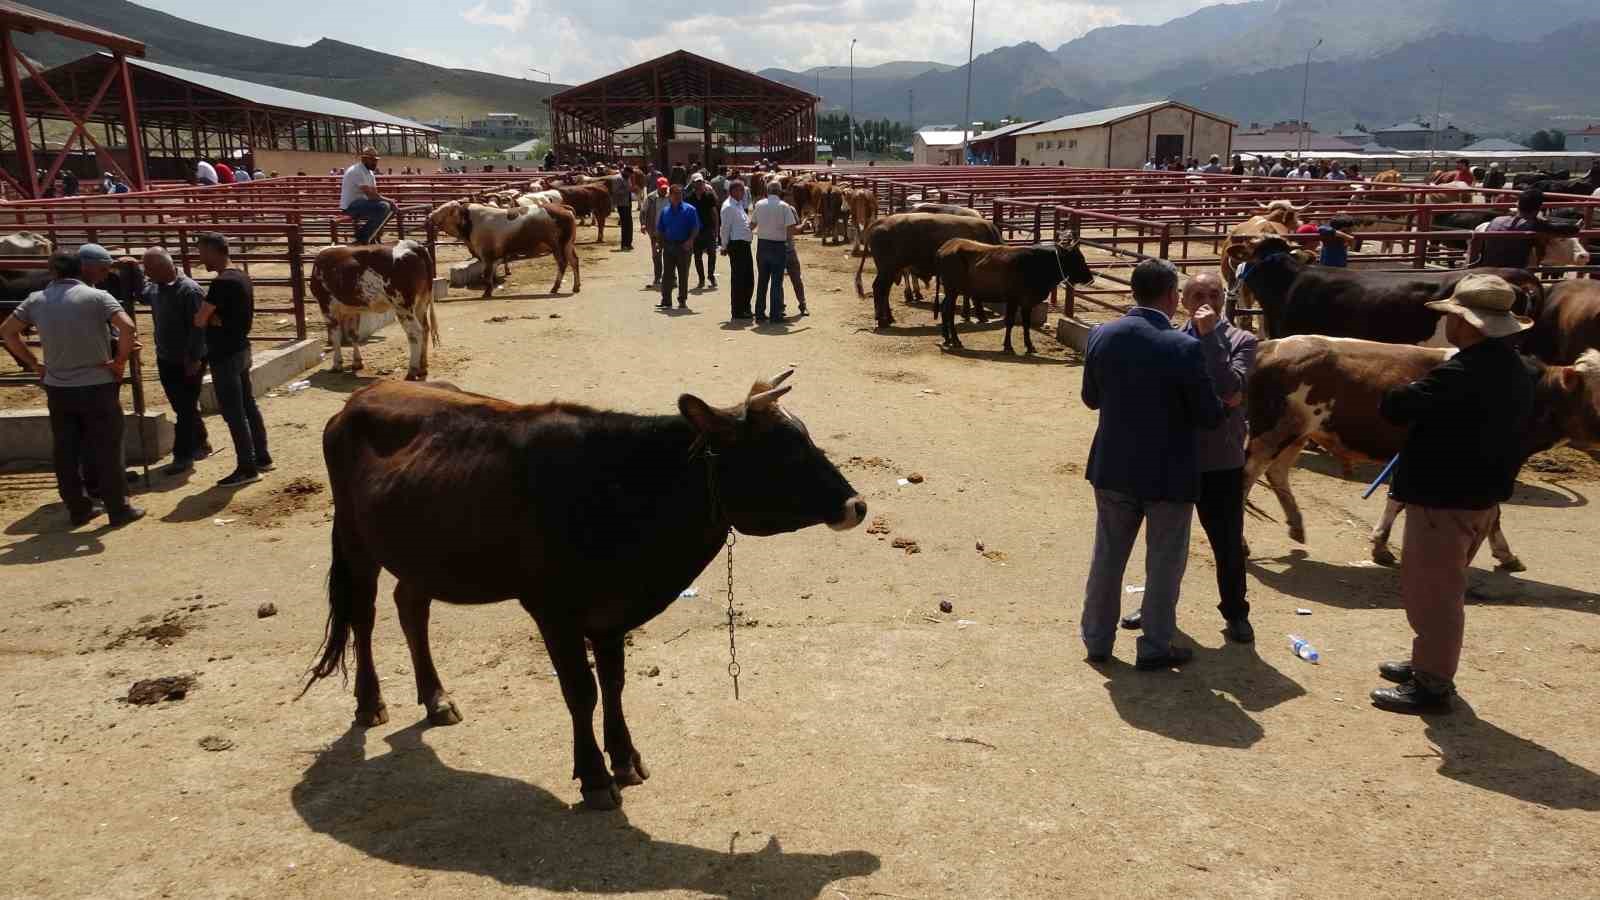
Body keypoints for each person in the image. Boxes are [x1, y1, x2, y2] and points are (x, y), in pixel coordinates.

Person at [1371, 274, 1536, 713]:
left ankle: (1433, 683)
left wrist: (1401, 387)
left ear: (1467, 324)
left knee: (1434, 592)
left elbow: (1396, 407)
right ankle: (1429, 662)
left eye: (1453, 317)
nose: (1448, 325)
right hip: (1479, 497)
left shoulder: (1461, 372)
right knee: (1441, 585)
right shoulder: (1516, 370)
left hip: (1442, 499)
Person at [1080, 258, 1226, 668]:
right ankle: (1156, 645)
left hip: (1113, 465)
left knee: (1107, 557)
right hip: (1169, 472)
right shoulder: (1184, 345)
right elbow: (1209, 415)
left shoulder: (1101, 333)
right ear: (1171, 296)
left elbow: (1091, 398)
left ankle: (1097, 640)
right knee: (1163, 563)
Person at [1118, 272, 1257, 643]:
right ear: (1182, 299)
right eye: (1197, 293)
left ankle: (1236, 612)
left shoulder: (1243, 340)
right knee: (1163, 543)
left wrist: (1210, 338)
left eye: (1214, 293)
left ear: (1225, 299)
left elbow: (1232, 387)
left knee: (1227, 543)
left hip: (1221, 461)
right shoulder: (1169, 341)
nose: (1205, 300)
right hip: (1175, 456)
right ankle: (1155, 607)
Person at [0, 248, 144, 527]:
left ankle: (78, 508)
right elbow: (127, 329)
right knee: (107, 447)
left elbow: (7, 332)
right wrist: (119, 362)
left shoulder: (36, 300)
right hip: (98, 385)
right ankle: (118, 508)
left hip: (58, 387)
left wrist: (34, 364)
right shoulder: (98, 297)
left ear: (52, 272)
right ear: (80, 270)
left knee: (66, 450)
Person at [194, 233, 271, 486]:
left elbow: (200, 319)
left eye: (202, 252)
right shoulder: (241, 276)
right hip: (241, 348)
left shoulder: (221, 284)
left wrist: (211, 319)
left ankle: (247, 467)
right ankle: (262, 457)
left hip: (224, 353)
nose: (200, 257)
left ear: (215, 252)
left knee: (233, 411)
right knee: (248, 405)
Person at [140, 248, 211, 475]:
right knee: (183, 405)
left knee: (184, 407)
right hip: (166, 356)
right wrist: (129, 270)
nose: (146, 273)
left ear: (163, 268)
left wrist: (194, 358)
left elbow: (199, 328)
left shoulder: (189, 291)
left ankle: (183, 456)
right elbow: (140, 294)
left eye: (148, 269)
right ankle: (200, 442)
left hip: (187, 358)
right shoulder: (156, 287)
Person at [1470, 189, 1580, 268]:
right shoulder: (1536, 225)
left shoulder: (1496, 220)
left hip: (1487, 269)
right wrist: (1576, 227)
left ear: (1517, 205)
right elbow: (1568, 230)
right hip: (1516, 273)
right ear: (1538, 209)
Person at [752, 176, 799, 322]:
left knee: (762, 281)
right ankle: (775, 314)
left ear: (767, 191)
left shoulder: (759, 204)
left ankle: (759, 313)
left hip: (763, 245)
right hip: (778, 246)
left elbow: (752, 225)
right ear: (779, 192)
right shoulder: (784, 207)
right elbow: (791, 230)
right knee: (776, 282)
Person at [655, 183, 699, 310]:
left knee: (683, 274)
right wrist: (659, 242)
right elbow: (661, 229)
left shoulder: (690, 210)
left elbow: (695, 228)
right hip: (669, 246)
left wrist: (690, 241)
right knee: (667, 274)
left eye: (680, 194)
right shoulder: (665, 211)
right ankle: (666, 300)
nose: (678, 196)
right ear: (670, 196)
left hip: (684, 247)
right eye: (675, 194)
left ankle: (682, 300)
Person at [340, 147, 394, 245]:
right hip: (351, 206)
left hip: (362, 203)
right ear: (364, 159)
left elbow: (374, 193)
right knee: (384, 206)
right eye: (372, 160)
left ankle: (372, 234)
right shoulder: (357, 171)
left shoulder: (369, 173)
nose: (375, 163)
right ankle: (363, 237)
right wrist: (389, 201)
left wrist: (389, 202)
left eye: (376, 160)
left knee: (389, 208)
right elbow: (371, 195)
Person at [719, 179, 754, 320]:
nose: (743, 193)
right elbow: (725, 228)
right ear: (733, 191)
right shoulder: (728, 207)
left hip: (744, 244)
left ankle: (745, 307)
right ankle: (738, 310)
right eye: (741, 190)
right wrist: (724, 245)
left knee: (748, 279)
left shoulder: (738, 205)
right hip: (736, 245)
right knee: (739, 279)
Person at [688, 173, 720, 289]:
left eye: (701, 182)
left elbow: (714, 213)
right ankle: (701, 279)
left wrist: (716, 229)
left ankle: (711, 275)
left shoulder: (709, 196)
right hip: (696, 231)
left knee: (712, 254)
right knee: (697, 256)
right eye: (697, 182)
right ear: (693, 184)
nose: (700, 184)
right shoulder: (689, 198)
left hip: (708, 229)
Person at [640, 177, 669, 288]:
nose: (664, 191)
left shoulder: (671, 196)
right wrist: (643, 224)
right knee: (656, 255)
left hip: (669, 232)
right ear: (657, 187)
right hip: (655, 232)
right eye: (662, 189)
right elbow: (643, 211)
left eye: (666, 188)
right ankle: (657, 277)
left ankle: (671, 277)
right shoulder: (651, 198)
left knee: (670, 255)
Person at [611, 166, 634, 251]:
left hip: (628, 203)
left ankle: (629, 243)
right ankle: (624, 244)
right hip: (622, 204)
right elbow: (615, 191)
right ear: (625, 171)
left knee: (629, 224)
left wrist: (630, 190)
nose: (630, 176)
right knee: (624, 225)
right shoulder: (617, 178)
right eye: (629, 174)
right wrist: (628, 190)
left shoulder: (627, 178)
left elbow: (629, 187)